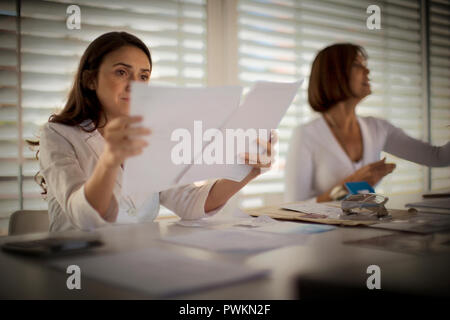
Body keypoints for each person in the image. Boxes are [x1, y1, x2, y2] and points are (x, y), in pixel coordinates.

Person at [38, 32, 274, 232]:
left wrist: (249, 171)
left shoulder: (152, 135)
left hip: (140, 262)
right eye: (121, 72)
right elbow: (85, 218)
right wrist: (109, 161)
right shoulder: (58, 135)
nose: (135, 85)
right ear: (90, 80)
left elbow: (189, 202)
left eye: (143, 76)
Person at [285, 43, 450, 203]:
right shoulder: (306, 135)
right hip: (323, 231)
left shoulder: (377, 128)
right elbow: (292, 208)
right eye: (358, 65)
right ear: (334, 74)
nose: (367, 70)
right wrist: (351, 185)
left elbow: (438, 157)